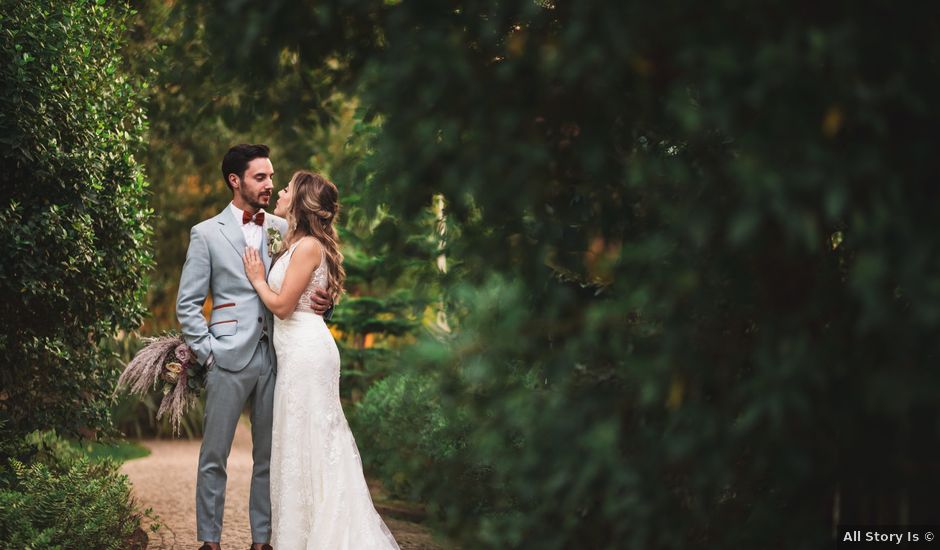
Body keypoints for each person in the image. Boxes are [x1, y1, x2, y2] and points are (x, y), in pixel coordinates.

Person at [177, 145, 333, 550]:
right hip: (227, 356)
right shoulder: (206, 233)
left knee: (270, 456)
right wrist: (208, 352)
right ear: (236, 180)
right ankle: (210, 541)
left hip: (279, 358)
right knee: (215, 455)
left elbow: (310, 279)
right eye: (260, 177)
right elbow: (188, 304)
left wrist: (327, 302)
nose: (269, 184)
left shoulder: (285, 230)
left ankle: (262, 541)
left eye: (271, 176)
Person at [242, 170, 400, 549]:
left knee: (311, 441)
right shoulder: (293, 239)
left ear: (299, 202)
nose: (278, 191)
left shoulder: (309, 246)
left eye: (286, 188)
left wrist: (258, 278)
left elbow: (281, 306)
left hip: (307, 354)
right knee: (300, 444)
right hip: (297, 352)